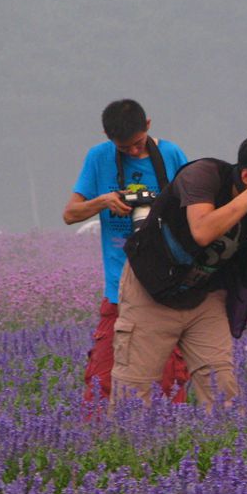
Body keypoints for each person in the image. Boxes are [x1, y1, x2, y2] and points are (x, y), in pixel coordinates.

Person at [110, 135, 247, 410]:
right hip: (151, 289)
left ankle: (224, 450)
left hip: (204, 297)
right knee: (133, 392)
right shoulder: (203, 175)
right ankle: (128, 449)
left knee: (222, 391)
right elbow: (201, 232)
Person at [63, 99, 191, 404]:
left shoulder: (172, 155)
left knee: (169, 383)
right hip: (119, 291)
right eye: (124, 148)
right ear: (109, 139)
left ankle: (167, 444)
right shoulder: (98, 157)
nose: (134, 152)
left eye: (138, 144)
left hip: (166, 289)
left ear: (148, 125)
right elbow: (70, 214)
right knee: (101, 380)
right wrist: (104, 201)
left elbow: (197, 211)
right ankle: (97, 443)